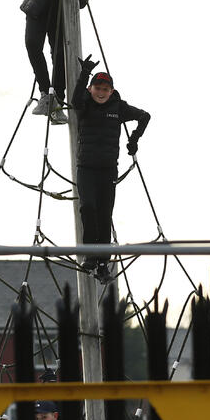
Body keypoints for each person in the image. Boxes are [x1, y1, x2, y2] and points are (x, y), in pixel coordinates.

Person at [71, 55, 150, 282]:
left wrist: (134, 140)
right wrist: (84, 73)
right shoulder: (85, 104)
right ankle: (90, 255)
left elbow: (145, 116)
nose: (101, 92)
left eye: (105, 89)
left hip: (107, 170)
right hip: (86, 167)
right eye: (97, 88)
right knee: (88, 208)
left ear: (111, 90)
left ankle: (104, 260)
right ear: (91, 88)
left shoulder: (119, 107)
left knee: (105, 213)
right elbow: (76, 100)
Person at [21, 0, 99, 125]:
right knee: (32, 44)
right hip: (39, 7)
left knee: (60, 55)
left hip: (62, 15)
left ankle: (58, 98)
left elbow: (82, 4)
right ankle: (46, 93)